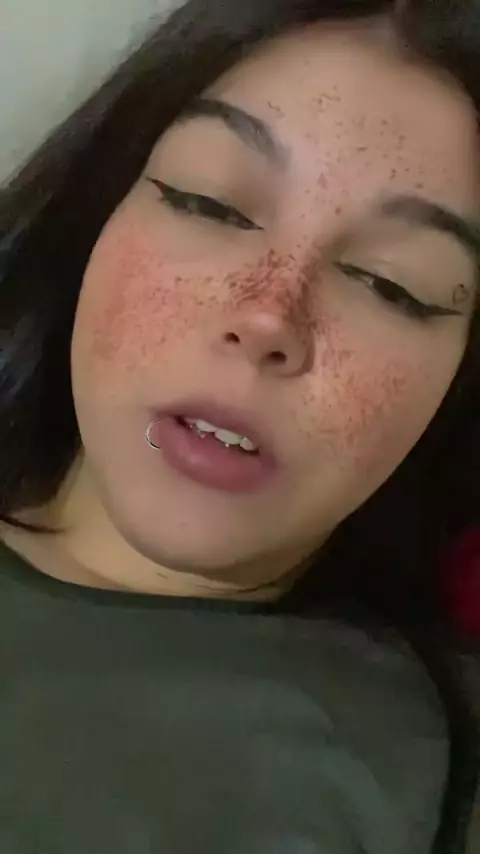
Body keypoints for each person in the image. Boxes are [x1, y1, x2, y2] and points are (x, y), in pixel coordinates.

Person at [1, 1, 479, 851]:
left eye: (391, 284)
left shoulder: (443, 773)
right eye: (210, 203)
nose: (266, 316)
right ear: (98, 208)